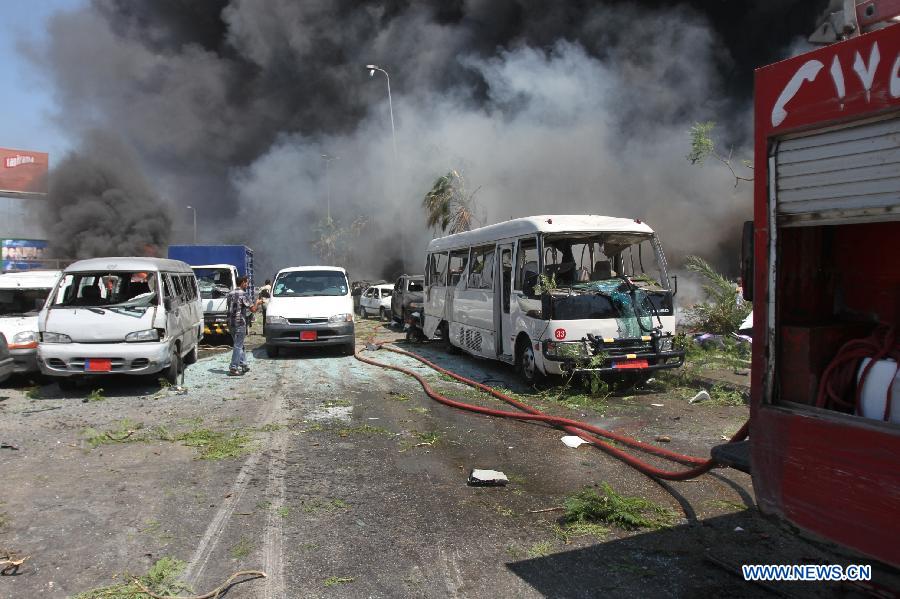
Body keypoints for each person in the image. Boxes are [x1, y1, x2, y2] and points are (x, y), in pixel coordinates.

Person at [227, 276, 263, 376]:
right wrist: (257, 302)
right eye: (246, 283)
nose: (247, 285)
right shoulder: (244, 294)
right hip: (239, 323)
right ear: (242, 283)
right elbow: (253, 310)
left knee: (239, 344)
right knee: (238, 346)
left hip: (230, 323)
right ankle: (233, 368)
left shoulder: (230, 294)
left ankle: (244, 365)